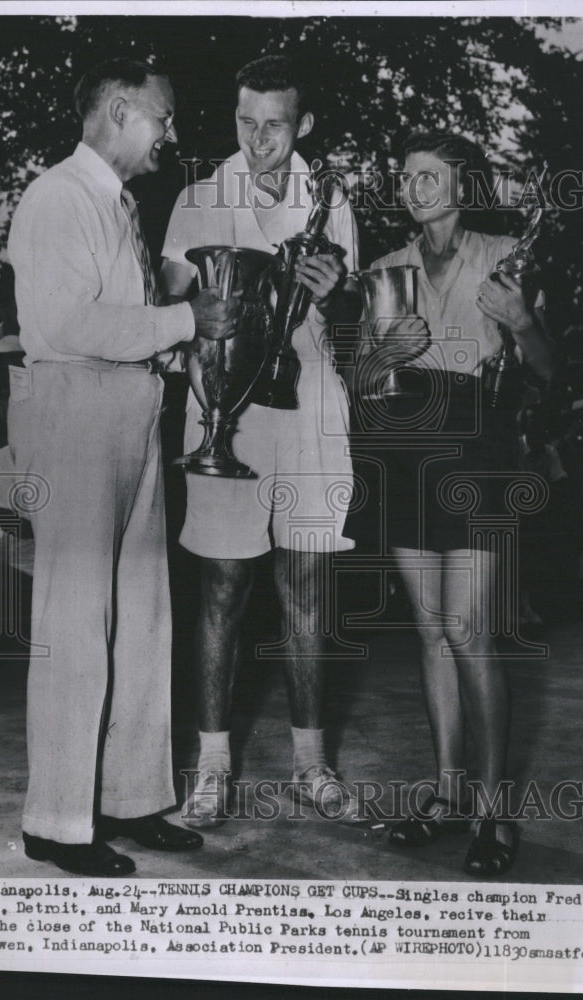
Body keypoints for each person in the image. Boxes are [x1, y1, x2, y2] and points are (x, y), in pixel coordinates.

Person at [7, 58, 241, 876]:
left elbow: (125, 318)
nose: (171, 135)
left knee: (144, 620)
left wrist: (175, 346)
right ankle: (58, 822)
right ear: (117, 109)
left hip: (133, 412)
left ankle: (133, 799)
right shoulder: (56, 198)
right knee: (75, 625)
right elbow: (69, 323)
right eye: (163, 118)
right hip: (75, 413)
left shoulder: (118, 203)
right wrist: (185, 318)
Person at [159, 54, 363, 826]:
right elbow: (169, 308)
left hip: (309, 406)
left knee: (306, 589)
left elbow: (352, 327)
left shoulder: (334, 201)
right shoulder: (197, 198)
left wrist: (335, 295)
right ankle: (212, 770)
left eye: (275, 124)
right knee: (221, 588)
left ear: (302, 123)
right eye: (247, 122)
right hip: (223, 409)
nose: (259, 139)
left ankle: (313, 767)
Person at [348, 131, 553, 875]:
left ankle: (496, 813)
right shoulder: (383, 269)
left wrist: (523, 320)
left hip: (478, 447)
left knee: (471, 632)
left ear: (462, 187)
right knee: (430, 629)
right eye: (406, 176)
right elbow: (363, 386)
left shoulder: (504, 255)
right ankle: (445, 794)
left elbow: (546, 370)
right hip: (404, 446)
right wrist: (382, 356)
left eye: (429, 176)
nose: (413, 186)